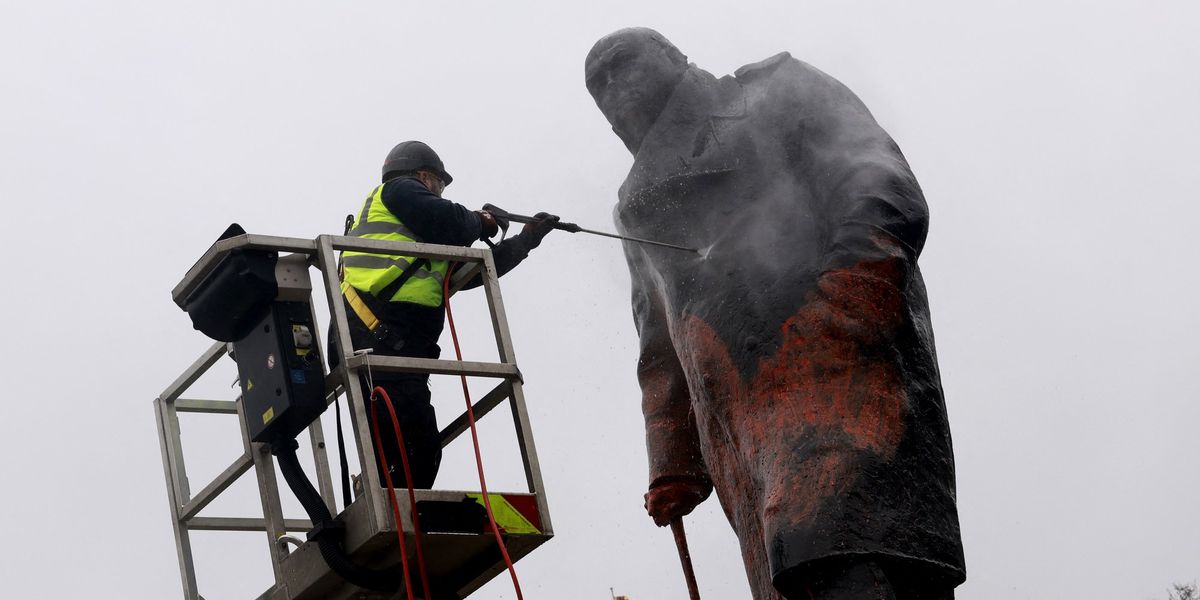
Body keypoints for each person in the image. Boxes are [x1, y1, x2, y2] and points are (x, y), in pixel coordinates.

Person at [585, 28, 965, 599]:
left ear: (675, 57)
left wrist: (848, 303)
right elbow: (659, 337)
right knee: (797, 572)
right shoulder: (636, 204)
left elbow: (880, 183)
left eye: (622, 65)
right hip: (743, 433)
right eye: (598, 85)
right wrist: (674, 458)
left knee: (852, 556)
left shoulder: (776, 91)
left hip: (846, 385)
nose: (612, 89)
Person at [330, 140, 558, 489]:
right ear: (424, 176)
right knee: (416, 450)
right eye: (439, 183)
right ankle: (391, 508)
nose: (439, 191)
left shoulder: (415, 236)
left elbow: (471, 273)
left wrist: (525, 241)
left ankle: (381, 497)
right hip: (379, 339)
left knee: (411, 449)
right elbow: (450, 221)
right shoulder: (399, 190)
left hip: (391, 344)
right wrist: (483, 222)